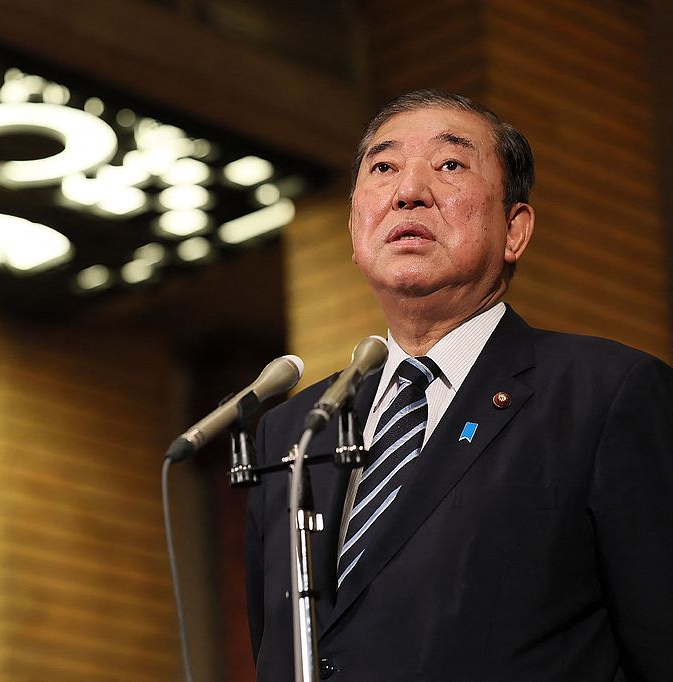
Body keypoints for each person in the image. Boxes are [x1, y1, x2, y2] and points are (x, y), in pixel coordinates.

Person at [245, 89, 673, 681]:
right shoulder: (293, 430)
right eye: (383, 167)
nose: (408, 191)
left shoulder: (605, 394)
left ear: (514, 229)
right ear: (354, 229)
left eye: (450, 164)